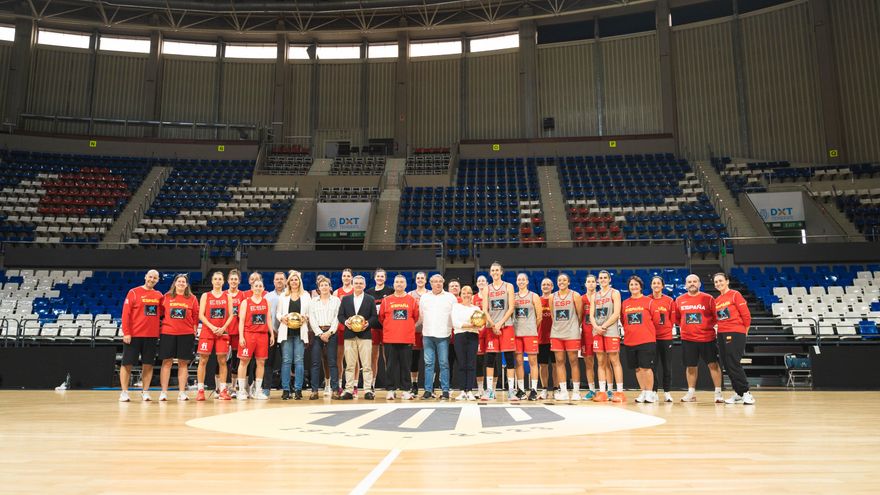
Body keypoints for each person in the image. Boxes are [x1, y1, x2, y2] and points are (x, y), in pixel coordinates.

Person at [675, 274, 722, 403]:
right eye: (689, 281)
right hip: (688, 339)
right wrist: (687, 328)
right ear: (685, 285)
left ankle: (718, 394)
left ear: (699, 284)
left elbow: (716, 316)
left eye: (695, 281)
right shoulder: (679, 300)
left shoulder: (708, 298)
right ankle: (691, 394)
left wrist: (705, 327)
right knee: (691, 366)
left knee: (713, 365)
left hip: (707, 338)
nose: (692, 284)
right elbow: (677, 318)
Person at [119, 270, 163, 402]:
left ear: (158, 280)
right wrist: (126, 332)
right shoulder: (133, 292)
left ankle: (145, 391)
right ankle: (124, 392)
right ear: (145, 277)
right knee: (127, 364)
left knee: (148, 365)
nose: (152, 279)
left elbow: (162, 314)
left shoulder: (159, 295)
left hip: (151, 336)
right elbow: (125, 314)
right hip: (134, 335)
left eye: (155, 278)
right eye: (150, 277)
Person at [713, 272, 755, 405]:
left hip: (735, 332)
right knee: (726, 364)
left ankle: (746, 393)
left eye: (720, 280)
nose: (718, 283)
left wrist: (744, 331)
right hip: (721, 333)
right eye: (716, 282)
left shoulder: (735, 294)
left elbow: (746, 315)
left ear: (727, 281)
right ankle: (738, 393)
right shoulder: (717, 300)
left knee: (733, 363)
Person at [158, 274, 199, 401]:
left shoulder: (192, 298)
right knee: (166, 362)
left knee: (183, 363)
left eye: (183, 282)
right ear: (175, 283)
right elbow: (160, 313)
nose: (181, 283)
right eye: (179, 281)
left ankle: (182, 392)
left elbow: (196, 316)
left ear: (186, 285)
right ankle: (164, 392)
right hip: (168, 333)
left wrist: (194, 330)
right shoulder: (166, 297)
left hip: (186, 334)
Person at [337, 275, 379, 400]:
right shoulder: (346, 299)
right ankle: (349, 390)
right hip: (349, 335)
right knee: (350, 365)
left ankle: (368, 390)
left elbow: (374, 317)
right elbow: (340, 315)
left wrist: (368, 323)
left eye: (361, 283)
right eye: (356, 283)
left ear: (364, 285)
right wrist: (345, 322)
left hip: (365, 335)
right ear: (353, 284)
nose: (358, 285)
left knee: (366, 365)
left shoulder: (370, 299)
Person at [379, 275, 419, 400]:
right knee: (390, 366)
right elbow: (381, 318)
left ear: (406, 285)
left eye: (402, 282)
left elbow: (415, 317)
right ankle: (390, 390)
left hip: (406, 338)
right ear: (393, 284)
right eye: (397, 282)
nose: (399, 284)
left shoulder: (412, 300)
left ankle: (406, 390)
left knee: (406, 366)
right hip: (390, 338)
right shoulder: (386, 300)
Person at [196, 271, 233, 401]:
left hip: (222, 332)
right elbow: (201, 315)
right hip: (207, 331)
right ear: (212, 281)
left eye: (220, 279)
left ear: (223, 282)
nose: (217, 281)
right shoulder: (206, 295)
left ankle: (222, 390)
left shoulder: (227, 296)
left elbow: (231, 315)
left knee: (222, 361)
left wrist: (223, 328)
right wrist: (212, 327)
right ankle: (200, 390)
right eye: (215, 279)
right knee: (203, 360)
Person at [481, 262, 516, 401]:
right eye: (492, 270)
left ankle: (511, 391)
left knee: (509, 358)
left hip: (506, 326)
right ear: (490, 273)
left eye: (497, 270)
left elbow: (511, 307)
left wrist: (500, 323)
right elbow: (485, 310)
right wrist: (493, 325)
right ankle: (490, 390)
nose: (495, 272)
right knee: (490, 359)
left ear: (501, 272)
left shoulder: (508, 286)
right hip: (492, 328)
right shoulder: (487, 289)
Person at [419, 274, 457, 400]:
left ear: (443, 282)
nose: (438, 283)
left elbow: (455, 315)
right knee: (428, 364)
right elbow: (421, 315)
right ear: (430, 283)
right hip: (428, 334)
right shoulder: (424, 297)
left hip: (443, 335)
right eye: (435, 281)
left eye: (440, 281)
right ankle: (428, 390)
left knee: (444, 363)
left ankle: (445, 390)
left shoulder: (451, 297)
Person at [276, 270, 313, 400]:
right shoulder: (283, 296)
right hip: (286, 332)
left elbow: (310, 313)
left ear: (299, 281)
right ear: (288, 282)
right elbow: (278, 313)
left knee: (299, 361)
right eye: (291, 280)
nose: (294, 282)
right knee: (286, 361)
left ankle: (298, 389)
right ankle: (286, 389)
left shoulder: (306, 295)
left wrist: (306, 317)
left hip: (300, 332)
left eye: (296, 279)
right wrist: (282, 318)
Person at [236, 278, 275, 400]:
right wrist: (241, 336)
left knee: (261, 362)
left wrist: (272, 334)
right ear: (252, 288)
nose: (258, 288)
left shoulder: (266, 302)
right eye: (256, 286)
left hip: (262, 335)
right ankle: (241, 390)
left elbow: (268, 319)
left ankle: (257, 391)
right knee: (244, 361)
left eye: (260, 286)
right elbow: (241, 321)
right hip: (249, 334)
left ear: (263, 289)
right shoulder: (246, 302)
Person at [621, 276, 657, 403]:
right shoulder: (625, 303)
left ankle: (650, 393)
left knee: (646, 367)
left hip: (646, 340)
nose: (634, 287)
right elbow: (623, 320)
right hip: (630, 341)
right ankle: (643, 392)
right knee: (637, 368)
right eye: (631, 285)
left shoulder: (649, 301)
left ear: (641, 286)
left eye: (636, 284)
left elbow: (656, 320)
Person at [590, 270, 624, 403]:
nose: (603, 279)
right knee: (600, 362)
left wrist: (603, 326)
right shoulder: (594, 295)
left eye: (605, 277)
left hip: (610, 331)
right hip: (597, 331)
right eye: (601, 278)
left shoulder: (615, 293)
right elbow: (591, 315)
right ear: (598, 280)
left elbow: (616, 313)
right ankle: (602, 392)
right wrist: (596, 327)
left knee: (614, 360)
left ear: (609, 279)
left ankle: (620, 392)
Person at [549, 273, 584, 401]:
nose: (562, 282)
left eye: (564, 280)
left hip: (571, 333)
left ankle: (576, 391)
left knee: (573, 361)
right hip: (557, 333)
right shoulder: (552, 297)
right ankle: (563, 391)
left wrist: (573, 326)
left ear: (568, 282)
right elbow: (553, 315)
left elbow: (580, 315)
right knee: (559, 361)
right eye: (559, 280)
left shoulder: (575, 295)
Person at [308, 275, 341, 400]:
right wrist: (320, 333)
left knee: (332, 362)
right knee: (315, 363)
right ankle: (314, 391)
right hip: (318, 334)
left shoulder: (336, 300)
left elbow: (337, 318)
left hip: (331, 333)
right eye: (321, 285)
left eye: (326, 285)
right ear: (318, 288)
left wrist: (329, 332)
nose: (324, 287)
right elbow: (312, 319)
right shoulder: (313, 301)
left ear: (330, 287)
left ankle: (335, 390)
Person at [512, 273, 543, 401]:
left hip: (530, 333)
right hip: (516, 333)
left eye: (523, 279)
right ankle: (521, 390)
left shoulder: (534, 296)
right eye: (519, 279)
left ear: (527, 281)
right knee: (518, 361)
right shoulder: (513, 296)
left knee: (533, 361)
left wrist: (532, 328)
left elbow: (539, 316)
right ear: (516, 282)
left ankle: (534, 389)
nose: (521, 281)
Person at [649, 276, 676, 403]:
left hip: (666, 338)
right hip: (651, 338)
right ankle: (654, 391)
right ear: (651, 285)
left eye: (658, 283)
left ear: (662, 286)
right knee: (652, 366)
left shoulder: (669, 301)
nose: (656, 285)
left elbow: (672, 319)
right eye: (654, 283)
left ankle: (667, 392)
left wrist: (666, 329)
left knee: (667, 366)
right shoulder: (647, 300)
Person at [451, 285, 481, 401]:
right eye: (464, 293)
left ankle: (470, 390)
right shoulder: (456, 307)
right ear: (461, 295)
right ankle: (462, 391)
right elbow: (456, 323)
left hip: (473, 336)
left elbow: (480, 325)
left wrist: (474, 326)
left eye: (468, 293)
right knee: (462, 363)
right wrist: (471, 325)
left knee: (471, 363)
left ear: (472, 295)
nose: (466, 295)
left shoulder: (476, 309)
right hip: (460, 336)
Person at [366, 268, 393, 393]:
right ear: (375, 277)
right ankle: (372, 383)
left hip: (387, 328)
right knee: (373, 357)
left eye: (382, 276)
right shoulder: (369, 292)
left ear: (385, 278)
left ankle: (389, 383)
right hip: (373, 327)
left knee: (387, 357)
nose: (380, 278)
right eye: (378, 276)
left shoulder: (390, 291)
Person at [263, 272, 287, 396]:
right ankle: (266, 388)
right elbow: (265, 316)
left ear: (285, 281)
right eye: (277, 279)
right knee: (268, 362)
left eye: (281, 279)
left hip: (285, 333)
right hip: (270, 333)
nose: (279, 281)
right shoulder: (267, 296)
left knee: (287, 362)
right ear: (273, 281)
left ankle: (287, 388)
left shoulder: (289, 295)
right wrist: (271, 331)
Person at [224, 269, 247, 396]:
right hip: (224, 331)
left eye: (235, 279)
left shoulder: (242, 295)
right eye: (231, 279)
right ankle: (220, 387)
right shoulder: (223, 294)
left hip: (237, 332)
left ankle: (233, 387)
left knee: (235, 360)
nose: (233, 281)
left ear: (239, 281)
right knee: (221, 359)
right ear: (228, 281)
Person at [333, 268, 355, 395]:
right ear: (341, 277)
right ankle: (340, 384)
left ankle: (354, 385)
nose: (346, 278)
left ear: (351, 277)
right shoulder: (337, 292)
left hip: (354, 328)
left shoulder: (355, 290)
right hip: (341, 327)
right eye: (344, 276)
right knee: (339, 358)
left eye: (348, 276)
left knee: (354, 359)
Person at [408, 271, 429, 397]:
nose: (420, 280)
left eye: (422, 278)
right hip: (415, 331)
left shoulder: (430, 294)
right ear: (415, 280)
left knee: (429, 360)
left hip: (428, 331)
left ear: (426, 280)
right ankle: (414, 384)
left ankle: (429, 386)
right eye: (418, 278)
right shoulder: (410, 294)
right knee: (414, 360)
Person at [580, 274, 598, 400]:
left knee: (604, 363)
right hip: (586, 335)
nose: (591, 283)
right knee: (589, 364)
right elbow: (578, 316)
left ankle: (606, 390)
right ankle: (592, 390)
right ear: (585, 284)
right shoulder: (581, 299)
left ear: (596, 283)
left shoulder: (601, 297)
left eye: (593, 281)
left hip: (600, 333)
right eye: (589, 281)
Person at [537, 277, 554, 400]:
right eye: (544, 284)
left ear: (552, 287)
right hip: (541, 338)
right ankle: (544, 389)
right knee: (543, 365)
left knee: (556, 365)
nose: (546, 286)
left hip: (555, 337)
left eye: (548, 284)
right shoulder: (537, 300)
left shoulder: (556, 299)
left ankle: (557, 389)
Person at [474, 275, 488, 397]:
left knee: (492, 361)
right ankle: (480, 389)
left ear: (487, 283)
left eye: (483, 280)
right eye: (479, 281)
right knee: (479, 362)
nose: (481, 282)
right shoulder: (474, 298)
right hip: (478, 332)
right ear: (477, 283)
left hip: (490, 331)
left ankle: (492, 389)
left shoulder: (491, 296)